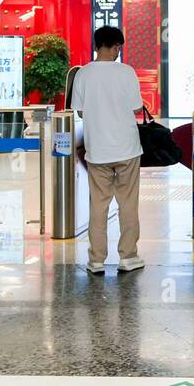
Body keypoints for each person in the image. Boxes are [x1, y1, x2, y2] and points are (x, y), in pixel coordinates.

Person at [70, 25, 145, 274]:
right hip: (127, 149)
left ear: (96, 45)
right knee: (128, 203)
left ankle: (97, 260)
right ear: (116, 47)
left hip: (97, 150)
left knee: (99, 206)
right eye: (118, 47)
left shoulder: (83, 74)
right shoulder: (126, 72)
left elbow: (79, 111)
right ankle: (128, 256)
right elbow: (136, 106)